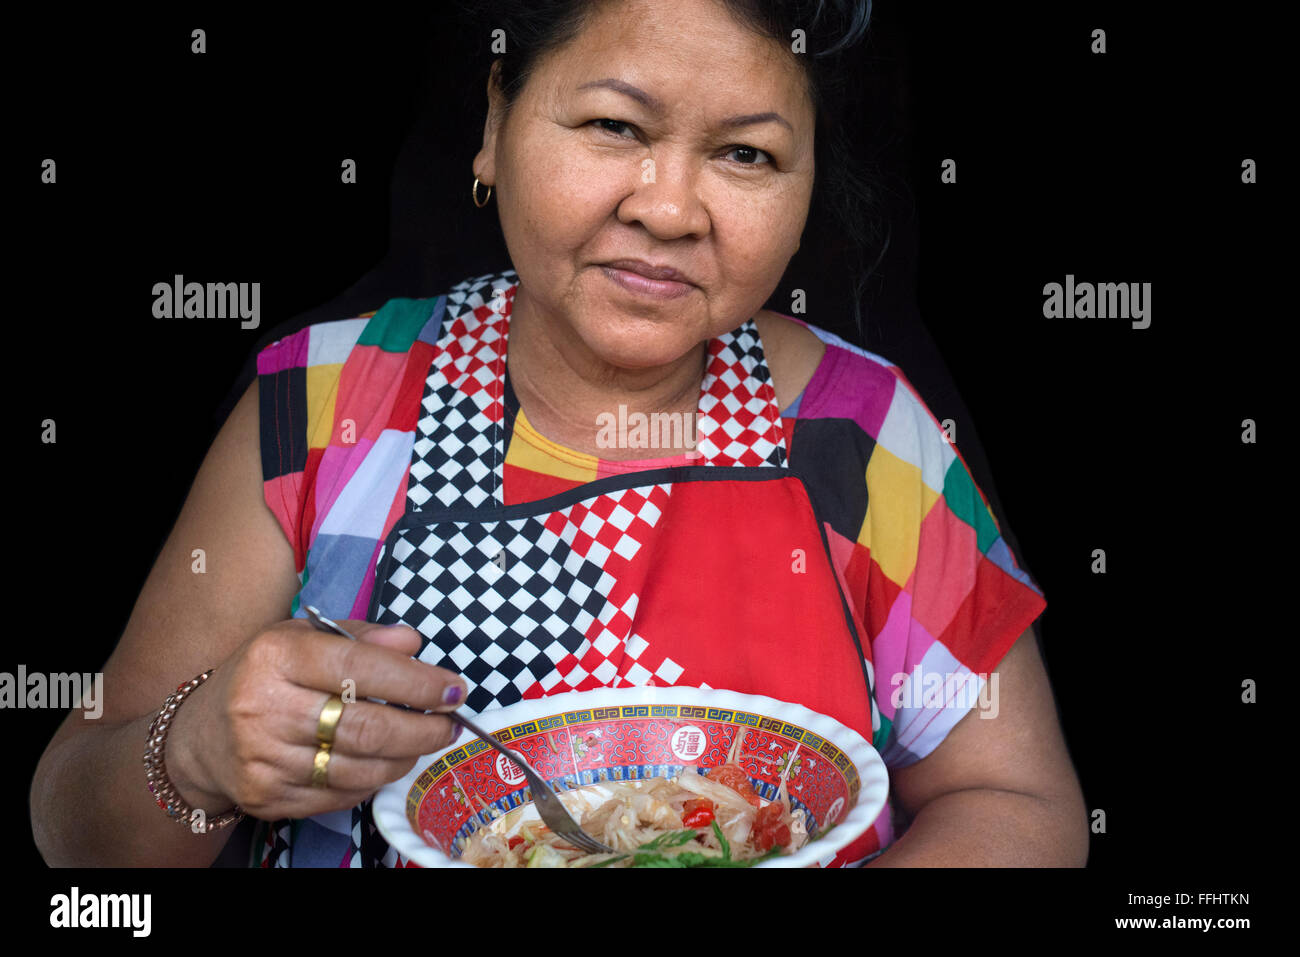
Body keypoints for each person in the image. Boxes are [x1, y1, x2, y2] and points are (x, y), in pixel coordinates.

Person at [31, 0, 1087, 867]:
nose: (670, 208)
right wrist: (203, 752)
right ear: (496, 121)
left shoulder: (861, 437)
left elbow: (1017, 805)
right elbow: (70, 825)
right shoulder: (326, 404)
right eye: (614, 127)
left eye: (748, 155)